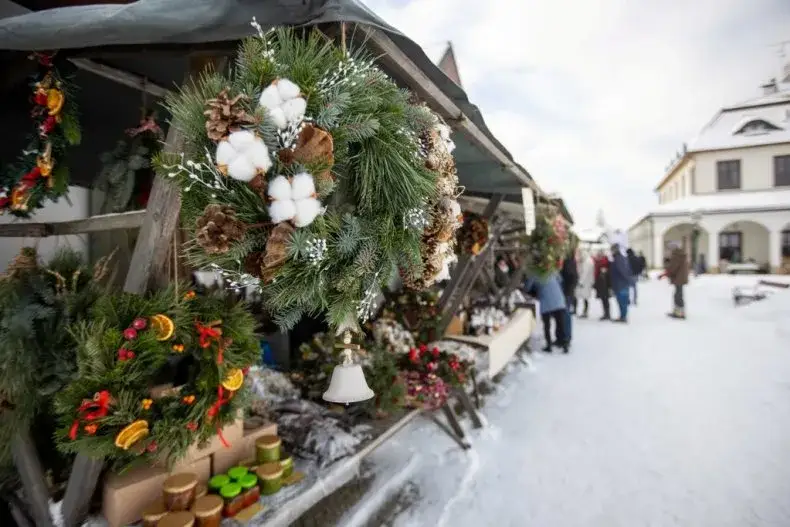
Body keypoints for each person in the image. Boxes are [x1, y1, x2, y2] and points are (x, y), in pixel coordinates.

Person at [524, 272, 568, 353]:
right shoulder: (552, 271)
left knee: (547, 325)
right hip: (558, 299)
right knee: (560, 323)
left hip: (545, 301)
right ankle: (564, 344)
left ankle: (549, 345)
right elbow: (560, 280)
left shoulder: (534, 274)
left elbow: (527, 287)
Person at [665, 241, 690, 319]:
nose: (669, 250)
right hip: (680, 277)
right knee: (678, 294)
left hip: (678, 278)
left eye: (670, 248)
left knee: (678, 295)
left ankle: (680, 313)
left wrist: (667, 267)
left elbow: (673, 267)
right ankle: (678, 312)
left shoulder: (676, 255)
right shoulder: (680, 254)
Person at [609, 243, 634, 323]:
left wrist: (627, 280)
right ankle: (622, 316)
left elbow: (623, 271)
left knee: (622, 301)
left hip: (621, 284)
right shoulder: (619, 258)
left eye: (612, 249)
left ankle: (623, 317)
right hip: (620, 283)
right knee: (621, 301)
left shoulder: (618, 259)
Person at [560, 250, 578, 343]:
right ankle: (564, 336)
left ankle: (566, 337)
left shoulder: (568, 263)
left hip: (566, 293)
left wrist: (567, 291)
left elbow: (571, 279)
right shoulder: (571, 262)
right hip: (567, 292)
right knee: (563, 315)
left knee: (565, 314)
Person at [576, 249, 595, 318]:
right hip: (586, 282)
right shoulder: (587, 260)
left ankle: (585, 312)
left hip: (585, 282)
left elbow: (585, 272)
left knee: (585, 297)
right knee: (585, 297)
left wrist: (580, 282)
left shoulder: (587, 261)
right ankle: (585, 312)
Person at [593, 252, 612, 320]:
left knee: (605, 300)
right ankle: (606, 313)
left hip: (605, 285)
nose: (598, 257)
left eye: (599, 255)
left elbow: (608, 274)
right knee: (603, 300)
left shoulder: (605, 263)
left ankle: (607, 314)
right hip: (601, 285)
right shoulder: (599, 262)